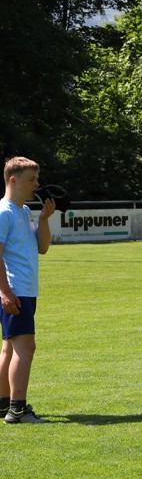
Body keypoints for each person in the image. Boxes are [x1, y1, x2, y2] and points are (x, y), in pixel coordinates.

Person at [0, 157, 56, 424]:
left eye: (37, 178)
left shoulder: (23, 211)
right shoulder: (4, 212)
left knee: (9, 350)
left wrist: (44, 218)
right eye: (32, 179)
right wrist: (5, 291)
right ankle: (17, 410)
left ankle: (3, 404)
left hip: (24, 291)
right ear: (13, 180)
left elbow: (42, 247)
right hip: (15, 291)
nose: (38, 184)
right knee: (26, 348)